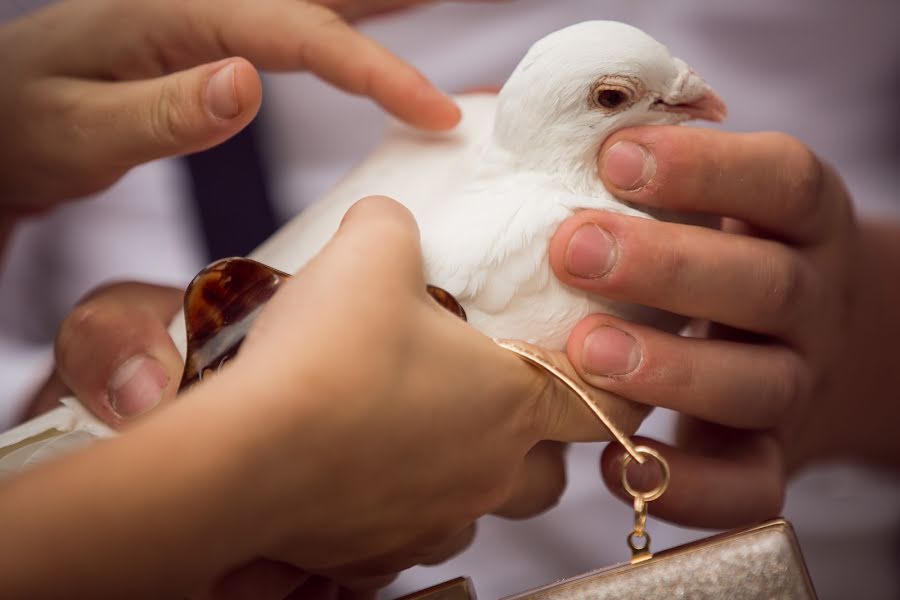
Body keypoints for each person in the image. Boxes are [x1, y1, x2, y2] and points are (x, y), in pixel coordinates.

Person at [3, 1, 900, 599]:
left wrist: (854, 332)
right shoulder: (524, 228)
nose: (692, 100)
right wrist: (152, 463)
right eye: (622, 99)